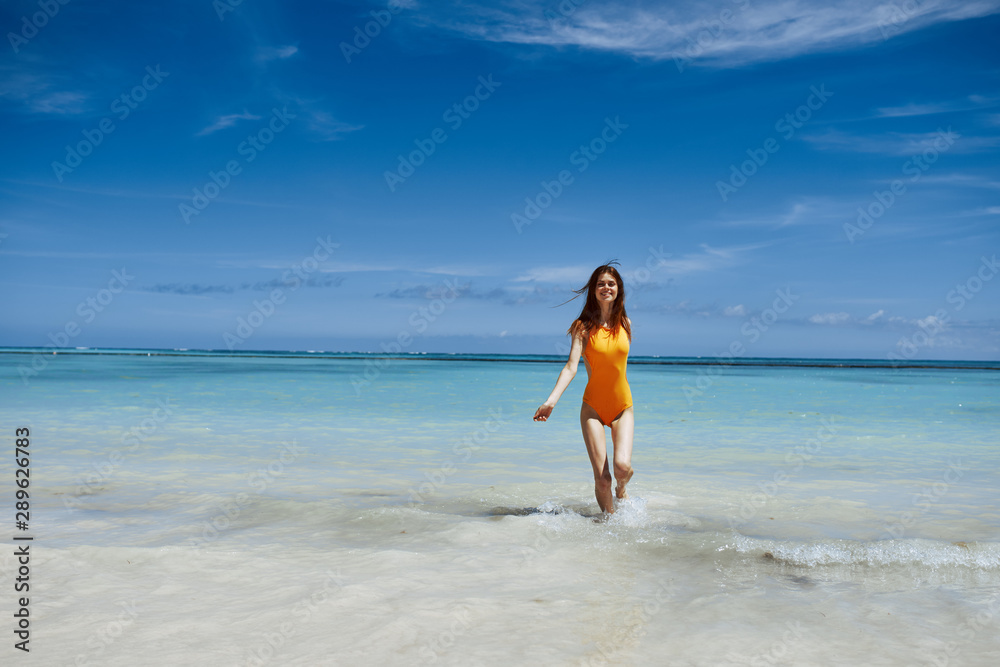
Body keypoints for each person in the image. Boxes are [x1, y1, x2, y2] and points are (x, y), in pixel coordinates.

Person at [533, 261, 634, 514]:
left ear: (618, 289)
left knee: (622, 468)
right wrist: (550, 402)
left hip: (623, 407)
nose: (606, 288)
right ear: (593, 289)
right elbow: (570, 367)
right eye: (600, 284)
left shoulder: (626, 324)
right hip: (593, 409)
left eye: (611, 284)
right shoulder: (582, 327)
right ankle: (610, 525)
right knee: (602, 479)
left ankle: (622, 490)